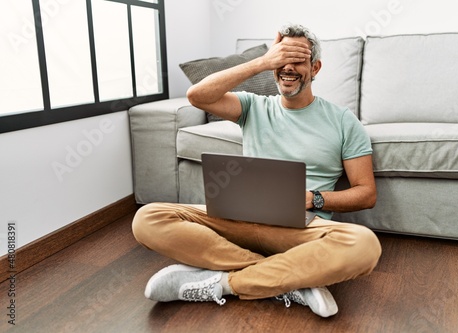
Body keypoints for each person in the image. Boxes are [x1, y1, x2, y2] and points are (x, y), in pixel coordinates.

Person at [132, 23, 382, 318]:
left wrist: (313, 198)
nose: (287, 67)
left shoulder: (342, 120)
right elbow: (198, 96)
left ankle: (225, 283)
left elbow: (365, 194)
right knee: (148, 218)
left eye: (297, 60)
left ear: (315, 68)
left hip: (301, 227)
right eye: (281, 58)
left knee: (365, 245)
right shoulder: (253, 106)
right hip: (238, 220)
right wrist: (263, 61)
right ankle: (290, 279)